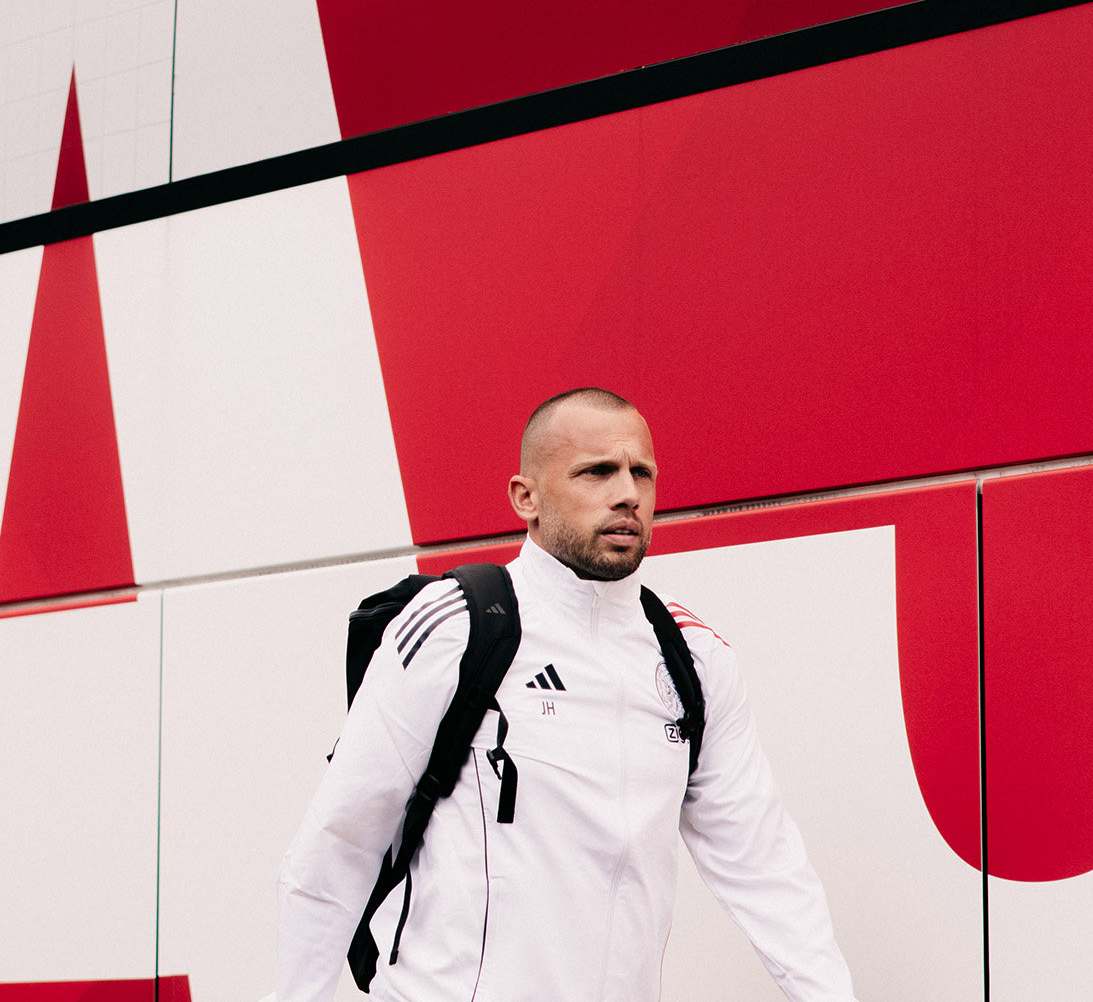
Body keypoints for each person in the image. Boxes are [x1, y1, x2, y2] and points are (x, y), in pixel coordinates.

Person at [271, 388, 857, 1002]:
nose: (628, 493)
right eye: (597, 471)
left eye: (642, 473)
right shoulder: (456, 626)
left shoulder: (695, 658)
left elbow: (764, 864)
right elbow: (338, 844)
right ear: (526, 497)